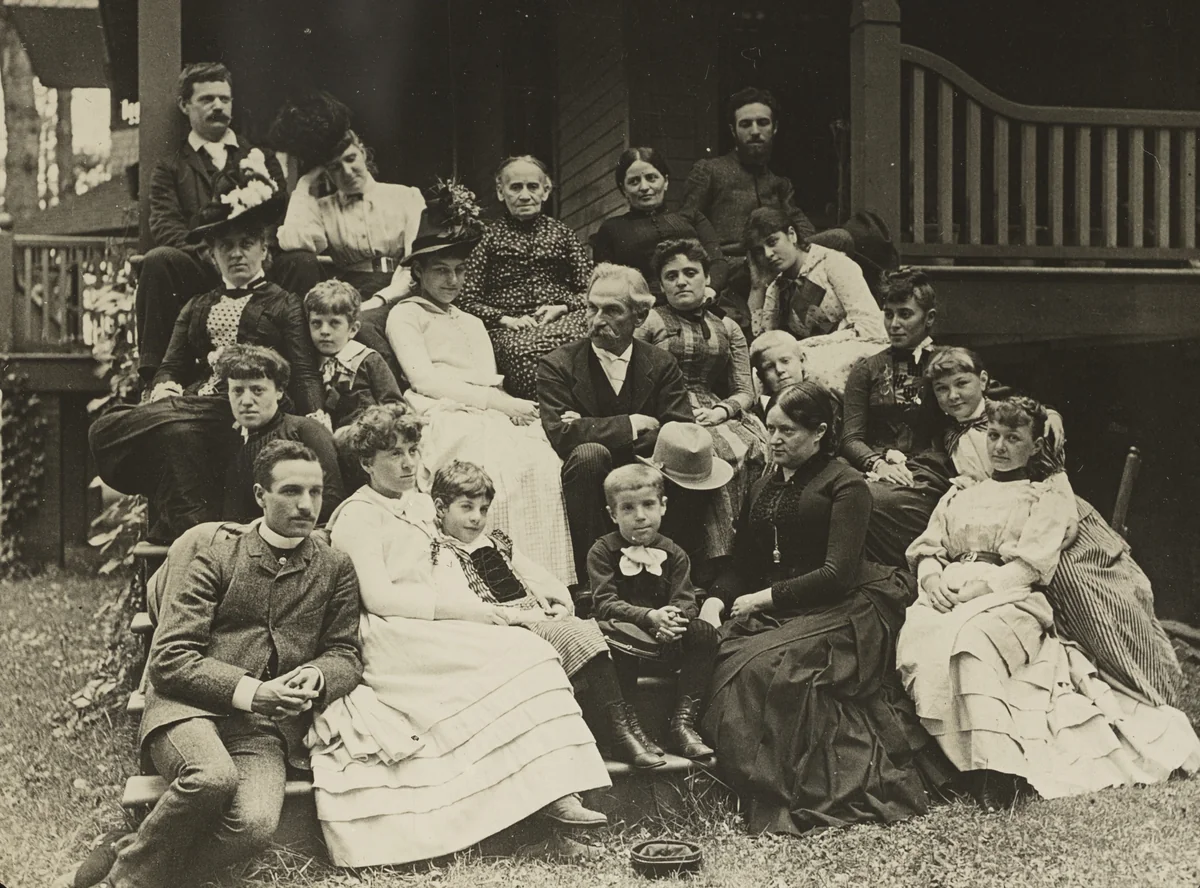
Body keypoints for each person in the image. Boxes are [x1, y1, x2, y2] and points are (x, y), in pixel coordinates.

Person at [308, 406, 612, 866]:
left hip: (435, 618)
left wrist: (536, 593)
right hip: (393, 633)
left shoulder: (415, 505)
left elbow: (470, 554)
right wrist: (471, 611)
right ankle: (541, 796)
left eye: (413, 451)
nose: (409, 463)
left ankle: (556, 789)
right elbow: (379, 597)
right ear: (367, 462)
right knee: (522, 654)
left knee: (532, 651)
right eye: (394, 454)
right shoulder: (358, 514)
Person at [77, 440, 363, 888]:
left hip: (263, 729)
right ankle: (122, 884)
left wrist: (319, 674)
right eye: (290, 491)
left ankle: (127, 849)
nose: (306, 505)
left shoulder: (334, 566)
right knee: (211, 778)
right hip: (185, 707)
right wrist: (253, 690)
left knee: (252, 825)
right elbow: (170, 657)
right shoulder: (214, 551)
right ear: (259, 496)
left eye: (316, 492)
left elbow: (345, 652)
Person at [897, 397, 1200, 808]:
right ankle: (956, 765)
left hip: (1010, 597)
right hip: (944, 593)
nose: (1000, 447)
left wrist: (975, 592)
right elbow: (930, 546)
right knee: (923, 639)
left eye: (1013, 438)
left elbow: (1030, 565)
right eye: (993, 436)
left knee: (969, 644)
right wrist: (931, 578)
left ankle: (995, 773)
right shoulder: (962, 492)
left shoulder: (1044, 496)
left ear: (1035, 446)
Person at [699, 381, 944, 834]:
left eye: (787, 431)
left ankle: (784, 788)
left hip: (851, 602)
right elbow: (744, 562)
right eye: (770, 428)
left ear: (820, 433)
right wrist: (715, 601)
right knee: (726, 650)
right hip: (793, 601)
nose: (774, 440)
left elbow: (837, 573)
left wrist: (764, 598)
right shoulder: (764, 482)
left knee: (769, 667)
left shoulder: (846, 485)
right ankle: (746, 777)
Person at [927, 347, 1185, 706]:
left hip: (1054, 518)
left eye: (961, 384)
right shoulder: (951, 434)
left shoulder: (1020, 419)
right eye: (941, 389)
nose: (953, 396)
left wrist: (1051, 416)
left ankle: (1141, 683)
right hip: (1003, 521)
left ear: (983, 382)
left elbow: (1055, 482)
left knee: (1086, 594)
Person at [89, 160, 324, 542]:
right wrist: (165, 388)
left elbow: (303, 367)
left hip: (246, 406)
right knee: (109, 426)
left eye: (246, 244)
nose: (236, 254)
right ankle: (197, 533)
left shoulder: (284, 304)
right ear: (212, 255)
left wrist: (315, 413)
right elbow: (171, 366)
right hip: (197, 405)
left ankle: (189, 534)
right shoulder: (197, 304)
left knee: (172, 433)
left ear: (264, 248)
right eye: (225, 247)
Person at [386, 183, 577, 583]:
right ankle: (491, 578)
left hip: (485, 404)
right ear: (418, 272)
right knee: (489, 469)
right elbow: (424, 379)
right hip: (438, 406)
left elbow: (488, 381)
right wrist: (499, 405)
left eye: (459, 270)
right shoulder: (406, 314)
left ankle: (545, 579)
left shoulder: (472, 321)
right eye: (440, 270)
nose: (452, 279)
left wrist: (517, 409)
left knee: (539, 460)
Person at [430, 459, 665, 770]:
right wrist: (529, 617)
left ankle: (624, 725)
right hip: (502, 625)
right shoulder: (443, 550)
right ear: (440, 508)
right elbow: (463, 602)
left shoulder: (496, 542)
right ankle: (619, 731)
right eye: (466, 508)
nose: (477, 518)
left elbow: (542, 578)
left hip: (535, 616)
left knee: (594, 629)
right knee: (577, 633)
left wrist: (558, 602)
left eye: (483, 509)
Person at [136, 63, 319, 382]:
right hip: (202, 269)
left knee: (302, 262)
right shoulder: (171, 168)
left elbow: (280, 214)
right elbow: (166, 225)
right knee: (158, 261)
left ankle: (308, 369)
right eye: (206, 99)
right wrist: (209, 254)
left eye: (224, 98)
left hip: (259, 265)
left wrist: (263, 250)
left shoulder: (261, 157)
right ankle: (157, 379)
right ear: (184, 105)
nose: (218, 106)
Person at [537, 263, 698, 582]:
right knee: (588, 455)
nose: (597, 320)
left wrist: (589, 425)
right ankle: (595, 580)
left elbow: (678, 431)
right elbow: (562, 435)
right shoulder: (557, 365)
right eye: (591, 308)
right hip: (589, 482)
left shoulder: (661, 364)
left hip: (648, 478)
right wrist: (636, 424)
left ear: (639, 317)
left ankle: (670, 574)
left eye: (612, 310)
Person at [636, 238, 769, 558]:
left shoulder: (727, 326)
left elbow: (744, 390)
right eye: (671, 276)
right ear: (661, 285)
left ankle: (747, 552)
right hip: (665, 408)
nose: (681, 281)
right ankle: (707, 556)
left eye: (690, 272)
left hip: (715, 409)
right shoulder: (651, 321)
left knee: (752, 446)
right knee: (705, 452)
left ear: (706, 279)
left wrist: (724, 410)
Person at [589, 464, 719, 760]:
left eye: (648, 505)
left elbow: (686, 600)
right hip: (625, 642)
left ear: (663, 506)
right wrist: (649, 617)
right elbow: (605, 602)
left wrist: (673, 618)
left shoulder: (674, 553)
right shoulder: (602, 552)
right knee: (611, 638)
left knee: (703, 632)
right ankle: (631, 727)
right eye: (628, 508)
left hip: (666, 641)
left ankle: (682, 724)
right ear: (613, 514)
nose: (640, 516)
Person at [271, 91, 425, 306]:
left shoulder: (406, 197)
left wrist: (381, 300)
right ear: (325, 172)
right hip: (348, 295)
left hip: (397, 291)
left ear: (362, 151)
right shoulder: (324, 209)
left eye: (351, 159)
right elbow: (294, 242)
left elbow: (416, 263)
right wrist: (304, 183)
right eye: (335, 167)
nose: (348, 172)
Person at [457, 155, 592, 399]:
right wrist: (505, 319)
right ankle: (546, 413)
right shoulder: (488, 239)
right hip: (512, 328)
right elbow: (467, 298)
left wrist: (562, 307)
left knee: (590, 332)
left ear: (546, 190)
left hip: (564, 318)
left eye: (533, 186)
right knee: (519, 349)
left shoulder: (563, 234)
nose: (525, 195)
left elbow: (590, 290)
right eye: (515, 187)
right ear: (501, 192)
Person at [680, 87, 815, 328]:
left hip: (776, 264)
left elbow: (804, 228)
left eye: (762, 123)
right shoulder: (711, 170)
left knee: (840, 239)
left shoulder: (779, 184)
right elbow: (686, 226)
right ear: (733, 130)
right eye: (745, 124)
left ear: (774, 128)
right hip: (733, 268)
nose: (754, 131)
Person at [745, 207, 887, 393]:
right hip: (809, 358)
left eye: (772, 242)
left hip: (855, 351)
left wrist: (804, 347)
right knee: (759, 377)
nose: (768, 254)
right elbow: (765, 343)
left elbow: (871, 327)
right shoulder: (777, 287)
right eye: (759, 250)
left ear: (792, 234)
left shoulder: (833, 264)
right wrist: (757, 287)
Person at [217, 345, 343, 524]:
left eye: (257, 390)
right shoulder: (232, 444)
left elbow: (332, 498)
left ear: (279, 392)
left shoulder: (304, 430)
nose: (245, 401)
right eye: (237, 390)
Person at [592, 147, 727, 301]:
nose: (644, 187)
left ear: (666, 181)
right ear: (624, 189)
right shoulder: (612, 229)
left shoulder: (692, 217)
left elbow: (718, 262)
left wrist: (710, 291)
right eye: (634, 181)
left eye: (651, 178)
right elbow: (605, 281)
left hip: (699, 300)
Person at [305, 280, 404, 430]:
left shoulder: (367, 359)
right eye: (316, 323)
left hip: (369, 433)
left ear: (353, 329)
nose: (324, 331)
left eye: (334, 323)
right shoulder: (312, 365)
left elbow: (394, 403)